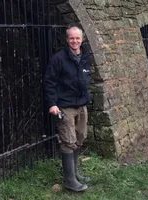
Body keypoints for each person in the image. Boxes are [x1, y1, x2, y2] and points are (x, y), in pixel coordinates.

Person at [44, 26, 92, 192]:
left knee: (80, 138)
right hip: (65, 107)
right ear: (67, 40)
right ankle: (69, 180)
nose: (75, 41)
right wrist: (52, 104)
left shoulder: (85, 57)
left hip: (81, 105)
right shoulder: (58, 59)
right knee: (68, 141)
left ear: (82, 39)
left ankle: (75, 173)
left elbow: (86, 77)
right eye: (71, 38)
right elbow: (49, 82)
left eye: (77, 38)